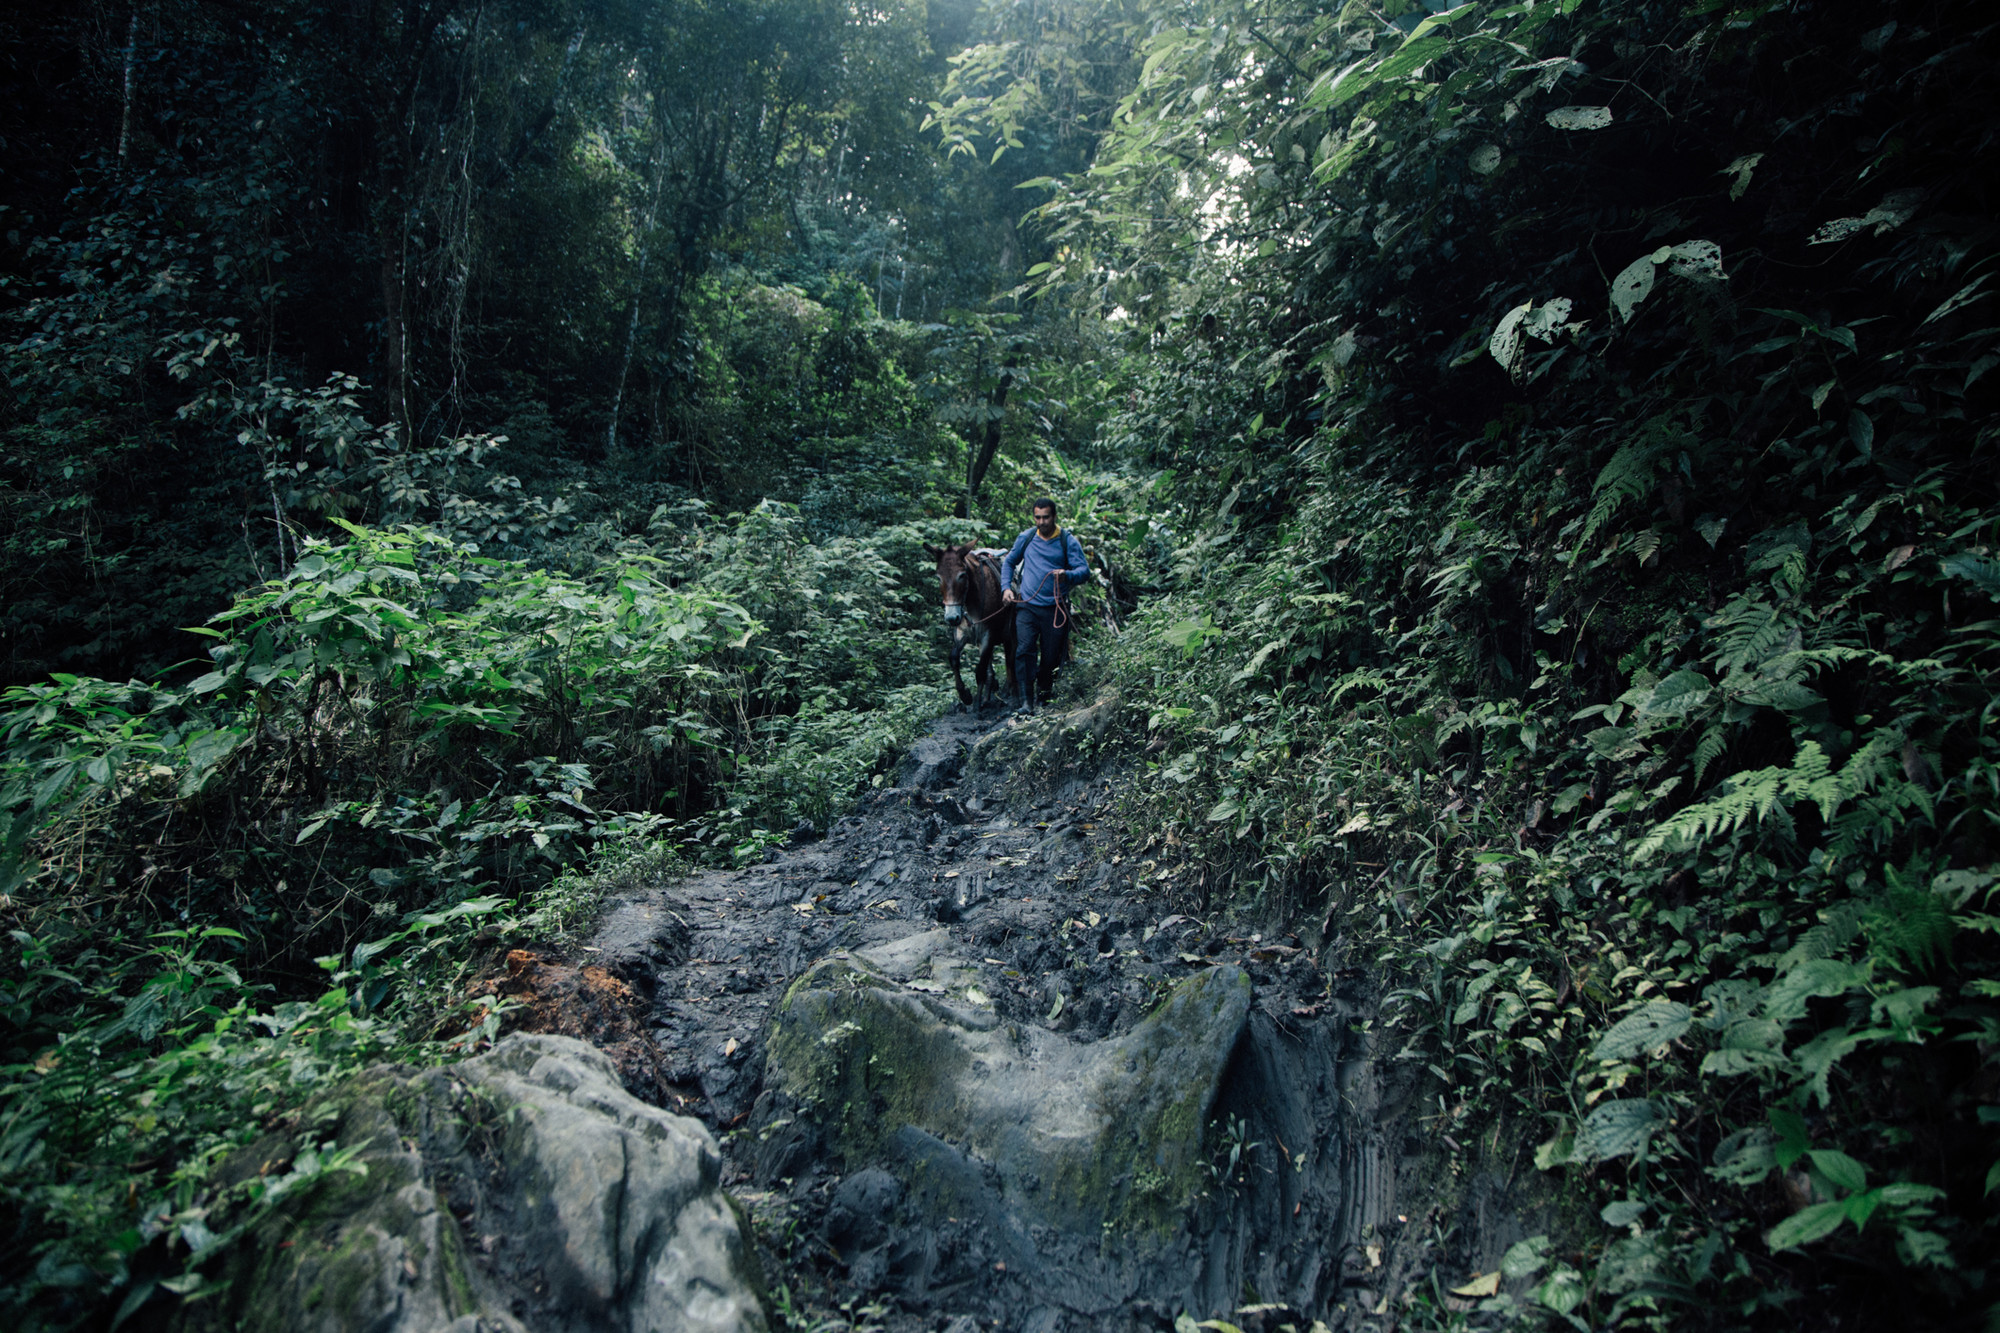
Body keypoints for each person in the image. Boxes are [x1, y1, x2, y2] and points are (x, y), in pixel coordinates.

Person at [1001, 497, 1091, 709]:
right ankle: (1026, 702)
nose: (1041, 522)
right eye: (1037, 517)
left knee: (1050, 657)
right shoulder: (1027, 537)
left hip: (1055, 608)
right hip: (1027, 606)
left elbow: (1084, 571)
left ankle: (1044, 698)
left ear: (1054, 516)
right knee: (1024, 650)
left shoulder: (1066, 540)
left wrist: (1067, 575)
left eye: (1046, 517)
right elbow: (1009, 562)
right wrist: (1006, 588)